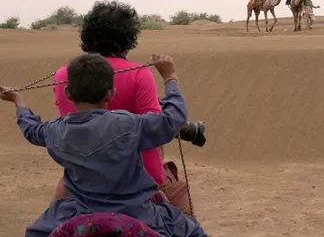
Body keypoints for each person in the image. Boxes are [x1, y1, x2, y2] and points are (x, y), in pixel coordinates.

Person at [0, 53, 208, 237]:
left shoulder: (56, 131)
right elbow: (173, 119)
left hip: (80, 213)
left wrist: (19, 102)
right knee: (192, 230)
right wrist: (170, 78)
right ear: (111, 94)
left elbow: (31, 129)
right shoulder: (129, 124)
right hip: (140, 215)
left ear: (67, 94)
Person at [50, 0, 192, 214]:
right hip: (140, 182)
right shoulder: (138, 73)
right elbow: (156, 128)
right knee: (187, 225)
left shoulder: (64, 74)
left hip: (82, 181)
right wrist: (170, 78)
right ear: (128, 40)